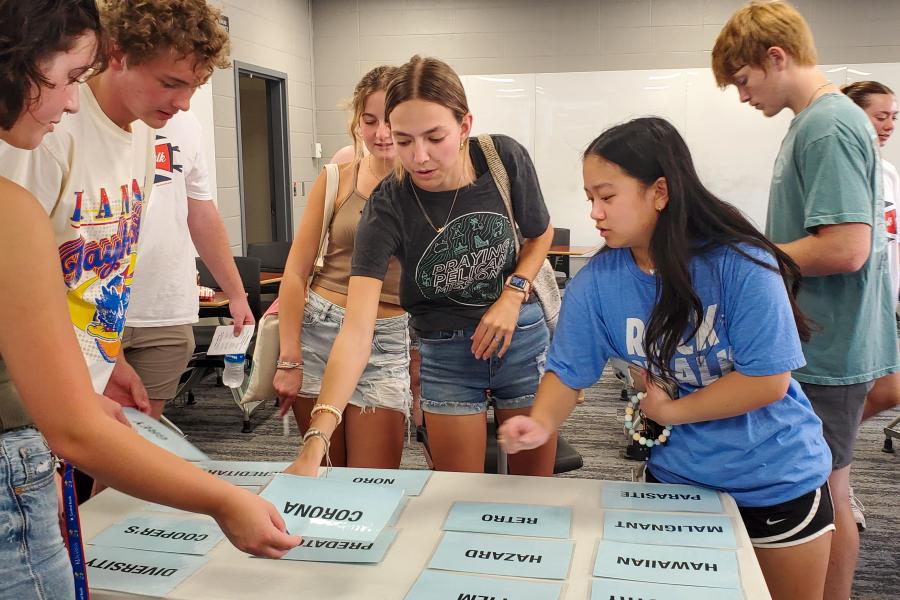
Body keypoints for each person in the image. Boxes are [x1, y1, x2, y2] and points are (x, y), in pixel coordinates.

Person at [0, 2, 299, 597]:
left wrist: (103, 361)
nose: (71, 99)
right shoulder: (31, 161)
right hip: (24, 420)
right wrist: (220, 500)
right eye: (64, 79)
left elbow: (84, 281)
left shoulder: (142, 136)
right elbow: (67, 420)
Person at [500, 117, 834, 600]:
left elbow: (767, 381)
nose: (594, 211)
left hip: (775, 481)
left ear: (660, 191)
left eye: (607, 196)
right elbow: (568, 373)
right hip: (677, 482)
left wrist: (670, 412)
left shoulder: (739, 263)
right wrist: (541, 422)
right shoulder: (599, 282)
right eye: (590, 197)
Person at [285, 55, 556, 476]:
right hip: (446, 347)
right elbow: (357, 332)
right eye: (405, 140)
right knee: (457, 493)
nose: (420, 157)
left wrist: (512, 294)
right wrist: (316, 438)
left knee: (534, 492)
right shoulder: (387, 205)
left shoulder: (501, 158)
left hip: (517, 333)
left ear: (464, 126)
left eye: (435, 137)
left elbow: (540, 234)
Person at [710, 3, 899, 598]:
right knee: (823, 486)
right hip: (819, 338)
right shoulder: (816, 121)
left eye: (743, 81)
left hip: (829, 343)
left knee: (826, 491)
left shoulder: (828, 124)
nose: (742, 98)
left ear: (776, 57)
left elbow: (846, 248)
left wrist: (754, 255)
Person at [274, 65, 411, 468]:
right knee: (327, 474)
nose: (381, 133)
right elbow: (296, 273)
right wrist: (289, 357)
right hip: (321, 326)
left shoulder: (428, 185)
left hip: (387, 335)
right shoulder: (337, 178)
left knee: (373, 482)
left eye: (391, 120)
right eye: (369, 121)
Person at [125, 106, 253, 420]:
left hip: (164, 308)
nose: (183, 100)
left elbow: (202, 214)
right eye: (173, 82)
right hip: (93, 309)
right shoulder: (76, 113)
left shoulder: (187, 124)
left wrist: (236, 294)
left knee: (143, 436)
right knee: (78, 442)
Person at [841, 79, 900, 530]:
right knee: (848, 402)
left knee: (889, 390)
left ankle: (830, 461)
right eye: (881, 116)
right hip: (850, 311)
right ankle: (836, 476)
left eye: (893, 117)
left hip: (884, 305)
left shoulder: (890, 172)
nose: (889, 125)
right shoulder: (844, 166)